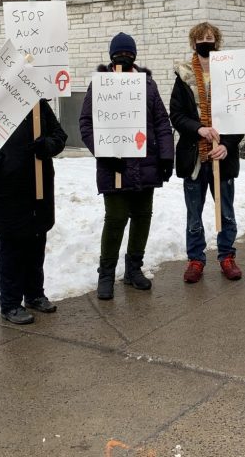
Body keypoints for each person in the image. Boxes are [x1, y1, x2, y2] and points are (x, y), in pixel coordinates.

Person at [79, 32, 175, 300]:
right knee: (116, 218)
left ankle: (134, 268)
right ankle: (106, 273)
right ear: (111, 57)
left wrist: (167, 157)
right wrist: (104, 154)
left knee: (143, 216)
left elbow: (161, 122)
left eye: (128, 53)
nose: (124, 57)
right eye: (119, 54)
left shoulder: (147, 85)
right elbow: (86, 124)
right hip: (114, 167)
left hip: (146, 165)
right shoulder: (100, 85)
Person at [169, 22, 244, 283]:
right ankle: (195, 260)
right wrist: (199, 129)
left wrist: (228, 145)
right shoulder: (183, 76)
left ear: (217, 42)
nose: (206, 41)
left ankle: (227, 256)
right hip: (194, 157)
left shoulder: (230, 74)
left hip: (222, 157)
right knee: (194, 213)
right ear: (193, 43)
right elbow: (176, 115)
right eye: (201, 38)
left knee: (225, 211)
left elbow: (240, 115)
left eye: (210, 38)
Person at [0, 98, 67, 324]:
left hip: (38, 191)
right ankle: (9, 304)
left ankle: (34, 295)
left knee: (36, 245)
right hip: (7, 191)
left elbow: (60, 136)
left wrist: (48, 145)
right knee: (11, 251)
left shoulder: (38, 105)